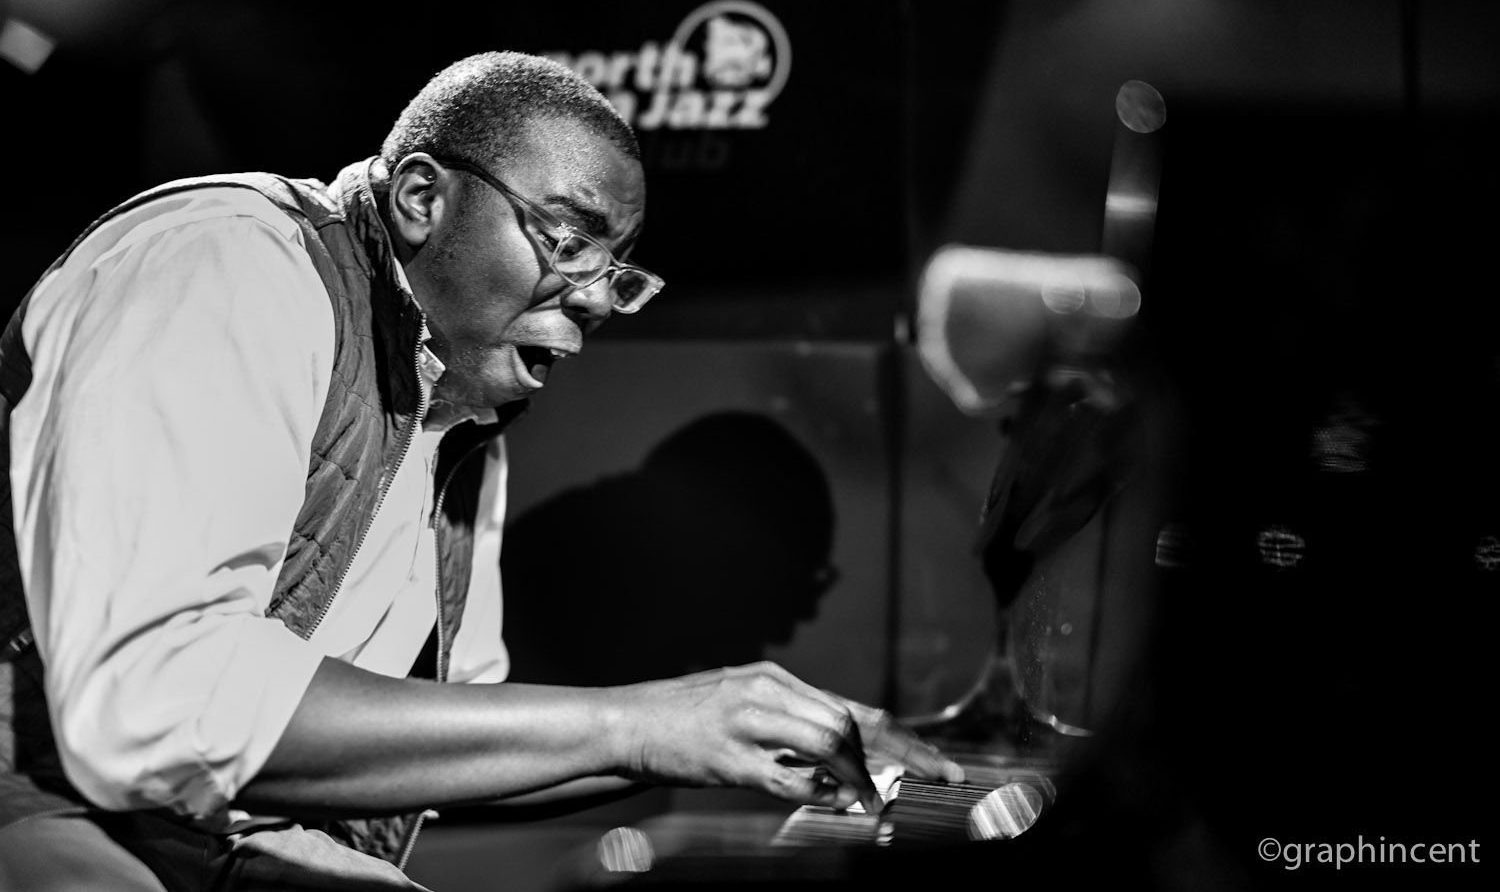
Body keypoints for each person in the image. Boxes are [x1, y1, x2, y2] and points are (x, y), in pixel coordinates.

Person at [0, 52, 962, 890]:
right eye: (569, 242)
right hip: (47, 807)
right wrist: (635, 725)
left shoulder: (462, 414)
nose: (595, 299)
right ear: (423, 199)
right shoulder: (228, 264)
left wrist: (734, 732)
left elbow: (441, 740)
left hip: (213, 835)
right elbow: (158, 704)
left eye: (616, 269)